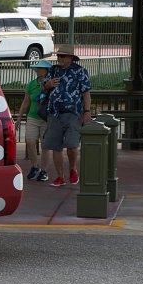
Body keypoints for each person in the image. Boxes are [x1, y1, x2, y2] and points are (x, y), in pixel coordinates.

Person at [42, 44, 92, 187]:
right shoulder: (52, 70)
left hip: (73, 113)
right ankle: (60, 176)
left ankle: (72, 168)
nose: (60, 58)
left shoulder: (80, 71)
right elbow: (43, 90)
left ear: (70, 58)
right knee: (55, 146)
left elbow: (86, 92)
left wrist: (87, 111)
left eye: (63, 56)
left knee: (72, 144)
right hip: (54, 113)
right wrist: (47, 85)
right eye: (58, 56)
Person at [15, 60, 52, 183]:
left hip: (46, 118)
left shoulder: (51, 83)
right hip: (32, 117)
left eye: (42, 68)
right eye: (38, 68)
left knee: (45, 145)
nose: (39, 70)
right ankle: (34, 166)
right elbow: (26, 102)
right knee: (30, 141)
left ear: (47, 70)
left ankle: (44, 171)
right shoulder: (31, 84)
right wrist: (19, 117)